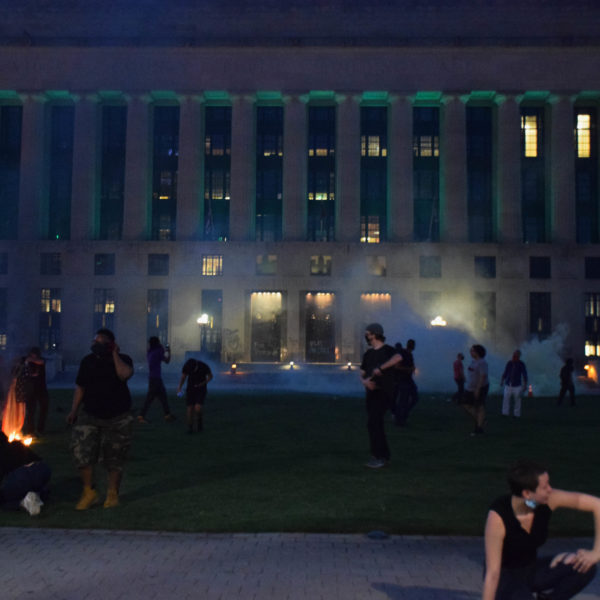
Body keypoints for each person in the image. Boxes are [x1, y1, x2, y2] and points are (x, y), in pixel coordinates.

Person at [483, 458, 599, 599]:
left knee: (585, 567)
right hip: (505, 578)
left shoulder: (549, 499)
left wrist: (596, 553)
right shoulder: (498, 517)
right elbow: (492, 574)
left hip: (531, 570)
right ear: (527, 494)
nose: (550, 489)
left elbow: (597, 505)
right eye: (544, 487)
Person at [66, 328, 134, 510]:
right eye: (94, 341)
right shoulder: (87, 362)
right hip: (90, 415)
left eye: (100, 342)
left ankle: (112, 494)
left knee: (115, 456)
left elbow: (124, 374)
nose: (95, 344)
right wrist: (74, 410)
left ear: (110, 344)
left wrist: (114, 353)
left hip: (117, 416)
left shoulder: (123, 359)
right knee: (81, 452)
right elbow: (80, 387)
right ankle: (89, 492)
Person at [359, 323, 402, 468]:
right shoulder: (368, 354)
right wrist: (365, 382)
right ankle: (381, 455)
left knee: (375, 422)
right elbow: (362, 373)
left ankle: (379, 457)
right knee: (373, 424)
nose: (366, 336)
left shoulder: (388, 350)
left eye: (368, 333)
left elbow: (397, 358)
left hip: (384, 392)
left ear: (375, 334)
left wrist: (380, 368)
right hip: (371, 393)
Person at [0, 431, 51, 515]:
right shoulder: (16, 444)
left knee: (5, 497)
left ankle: (22, 502)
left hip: (21, 476)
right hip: (42, 469)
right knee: (28, 486)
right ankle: (39, 493)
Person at [137, 337, 176, 424]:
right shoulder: (159, 351)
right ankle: (141, 416)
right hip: (156, 378)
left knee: (162, 397)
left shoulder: (150, 352)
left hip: (152, 377)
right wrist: (168, 351)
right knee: (151, 398)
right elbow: (167, 360)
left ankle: (167, 414)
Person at [177, 357, 213, 433]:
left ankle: (199, 425)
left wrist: (202, 383)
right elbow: (183, 377)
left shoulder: (203, 366)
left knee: (198, 407)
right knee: (190, 408)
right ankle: (190, 428)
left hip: (201, 389)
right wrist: (179, 387)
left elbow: (210, 376)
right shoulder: (187, 367)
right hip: (190, 388)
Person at [460, 344, 489, 435]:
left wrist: (478, 389)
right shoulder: (473, 361)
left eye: (472, 350)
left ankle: (479, 428)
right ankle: (481, 420)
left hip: (479, 388)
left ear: (477, 352)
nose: (470, 352)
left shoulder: (482, 362)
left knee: (480, 406)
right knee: (465, 404)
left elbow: (483, 376)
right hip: (470, 388)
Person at [22, 347, 49, 436]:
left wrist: (30, 360)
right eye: (32, 354)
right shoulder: (27, 361)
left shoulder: (40, 360)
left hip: (41, 389)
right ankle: (30, 430)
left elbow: (41, 362)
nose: (34, 356)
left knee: (43, 409)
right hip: (31, 389)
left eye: (35, 354)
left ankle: (40, 429)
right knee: (30, 411)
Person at [393, 338, 418, 426]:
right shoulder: (403, 354)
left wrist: (412, 369)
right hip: (403, 380)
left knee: (414, 398)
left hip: (408, 379)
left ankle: (402, 415)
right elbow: (397, 367)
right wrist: (409, 369)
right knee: (403, 400)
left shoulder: (409, 354)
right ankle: (399, 419)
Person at [501, 350, 528, 418]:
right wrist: (502, 380)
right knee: (506, 399)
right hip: (508, 385)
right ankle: (505, 413)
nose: (513, 357)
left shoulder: (521, 364)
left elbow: (524, 374)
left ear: (518, 356)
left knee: (517, 400)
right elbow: (505, 372)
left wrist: (525, 385)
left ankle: (516, 414)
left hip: (517, 385)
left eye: (515, 356)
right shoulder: (509, 363)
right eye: (513, 355)